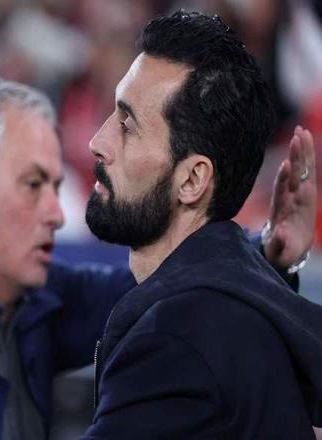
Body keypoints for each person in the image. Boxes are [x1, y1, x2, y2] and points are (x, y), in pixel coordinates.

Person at [0, 73, 315, 439]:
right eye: (33, 184)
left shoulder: (40, 296)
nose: (57, 214)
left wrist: (268, 250)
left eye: (56, 186)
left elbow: (169, 280)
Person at [81, 11, 321, 439]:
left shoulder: (170, 342)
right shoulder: (228, 305)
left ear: (192, 180)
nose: (97, 142)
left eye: (127, 125)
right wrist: (270, 257)